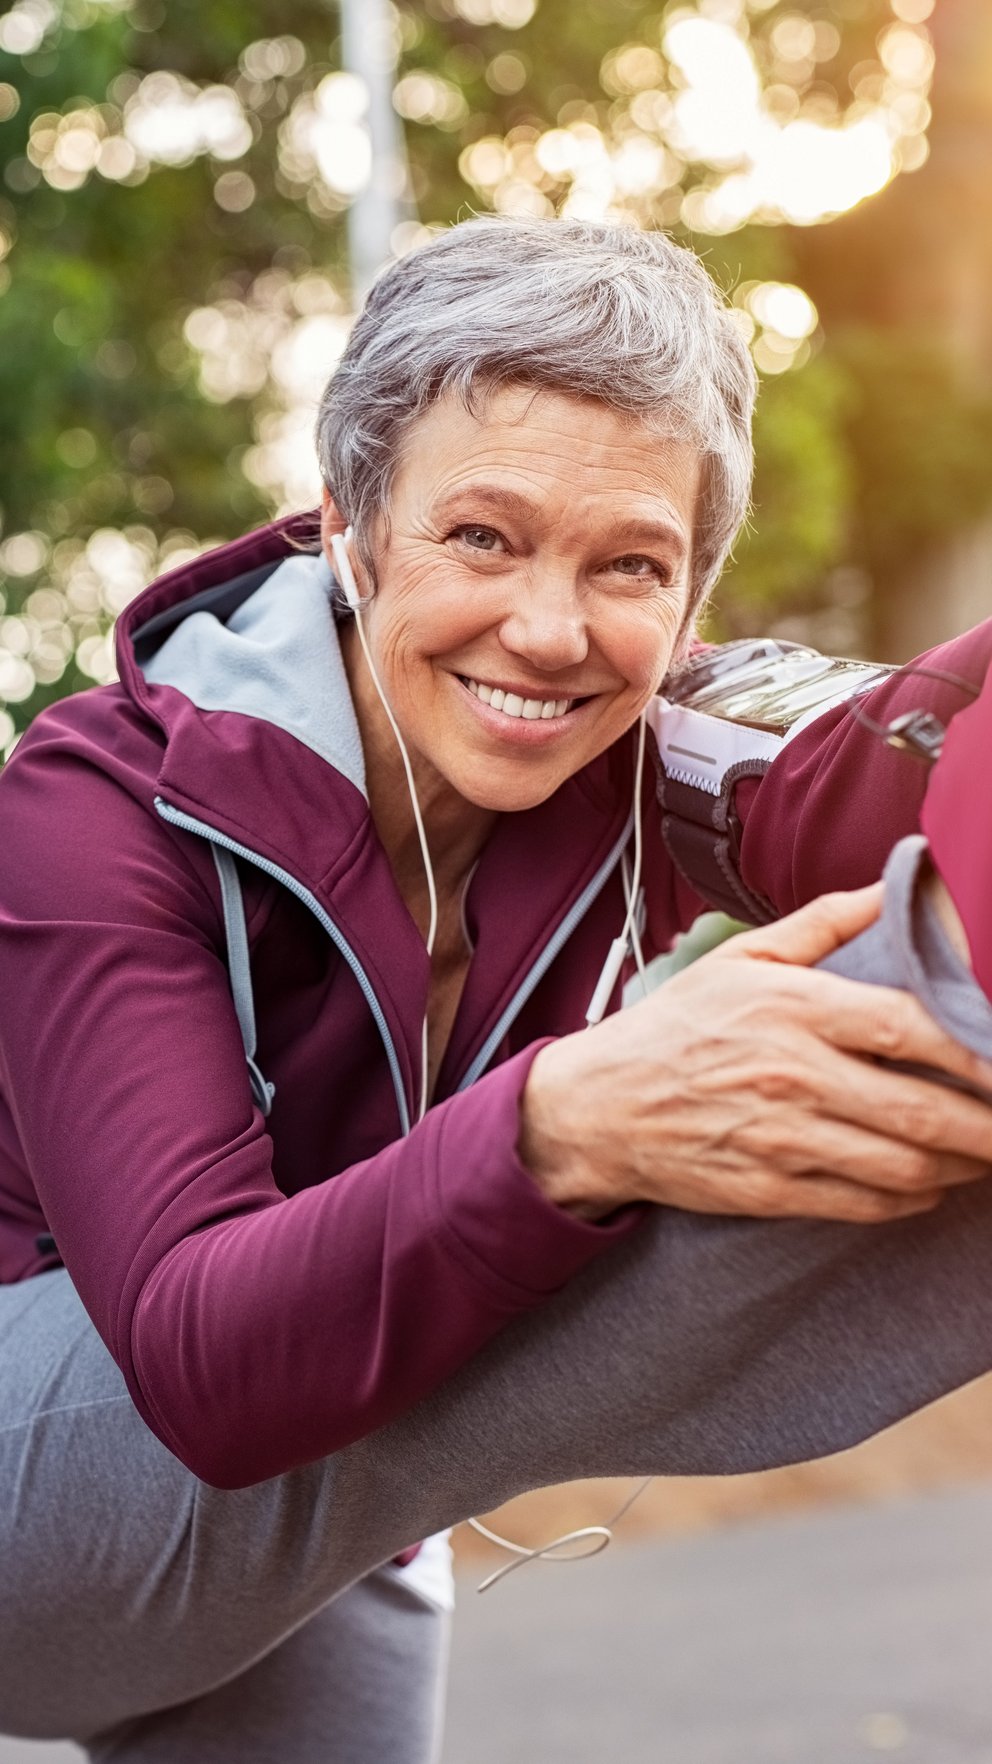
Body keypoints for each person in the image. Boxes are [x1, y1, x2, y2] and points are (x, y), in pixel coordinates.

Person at [2, 215, 992, 1762]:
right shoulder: (101, 799)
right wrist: (565, 1127)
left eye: (630, 567)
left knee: (941, 965)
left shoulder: (655, 747)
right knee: (712, 1107)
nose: (549, 629)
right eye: (483, 537)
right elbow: (197, 1357)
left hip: (329, 1545)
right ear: (350, 521)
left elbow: (898, 769)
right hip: (52, 1478)